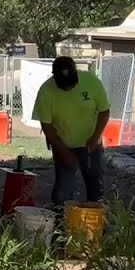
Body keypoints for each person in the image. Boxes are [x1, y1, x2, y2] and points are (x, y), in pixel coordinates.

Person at [31, 56, 111, 210]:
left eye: (71, 84)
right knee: (63, 190)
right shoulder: (46, 92)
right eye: (63, 85)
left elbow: (104, 112)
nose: (68, 89)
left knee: (95, 185)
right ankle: (61, 224)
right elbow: (47, 126)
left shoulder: (91, 81)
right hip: (63, 144)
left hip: (91, 144)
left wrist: (95, 139)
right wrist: (64, 152)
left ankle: (95, 225)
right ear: (54, 77)